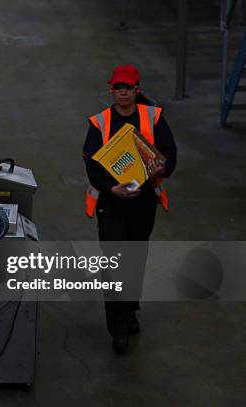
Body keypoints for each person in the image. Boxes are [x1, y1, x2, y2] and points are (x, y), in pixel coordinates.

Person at [82, 65, 177, 354]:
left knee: (135, 260)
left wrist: (163, 166)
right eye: (118, 87)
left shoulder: (154, 118)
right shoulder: (100, 123)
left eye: (128, 87)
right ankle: (118, 329)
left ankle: (130, 309)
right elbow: (92, 164)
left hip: (143, 202)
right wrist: (112, 188)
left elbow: (170, 156)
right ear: (111, 90)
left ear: (137, 90)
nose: (123, 91)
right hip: (111, 204)